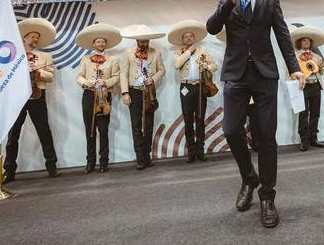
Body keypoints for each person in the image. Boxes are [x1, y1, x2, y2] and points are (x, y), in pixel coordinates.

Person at [206, 0, 305, 228]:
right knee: (230, 130)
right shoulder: (227, 1)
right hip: (236, 75)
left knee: (266, 137)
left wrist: (294, 67)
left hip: (264, 75)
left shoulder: (270, 0)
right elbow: (212, 27)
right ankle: (249, 177)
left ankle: (267, 197)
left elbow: (283, 36)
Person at [3, 18, 59, 183]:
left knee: (44, 131)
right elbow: (5, 76)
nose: (35, 39)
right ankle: (9, 171)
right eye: (32, 36)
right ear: (24, 39)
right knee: (13, 135)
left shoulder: (45, 56)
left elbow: (50, 76)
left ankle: (51, 166)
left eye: (37, 37)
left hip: (37, 96)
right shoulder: (13, 56)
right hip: (18, 98)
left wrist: (38, 72)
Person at [168, 20, 218, 163]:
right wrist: (188, 52)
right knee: (188, 119)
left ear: (194, 38)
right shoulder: (179, 52)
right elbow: (177, 65)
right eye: (186, 37)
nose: (189, 38)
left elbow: (214, 66)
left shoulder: (203, 51)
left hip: (201, 86)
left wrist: (206, 66)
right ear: (182, 40)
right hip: (186, 87)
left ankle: (200, 150)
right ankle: (191, 151)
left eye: (191, 36)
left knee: (200, 118)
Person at [75, 23, 122, 173]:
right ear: (93, 44)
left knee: (103, 130)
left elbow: (116, 77)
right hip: (89, 95)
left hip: (104, 96)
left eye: (103, 41)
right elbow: (79, 76)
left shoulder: (112, 59)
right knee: (90, 130)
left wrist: (105, 82)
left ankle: (104, 162)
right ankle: (90, 162)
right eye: (98, 41)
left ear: (105, 44)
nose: (101, 44)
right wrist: (86, 82)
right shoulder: (86, 59)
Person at [120, 24, 166, 170]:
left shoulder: (156, 53)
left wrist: (153, 79)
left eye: (146, 41)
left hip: (149, 92)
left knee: (148, 124)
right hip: (134, 91)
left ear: (149, 41)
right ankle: (139, 157)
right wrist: (125, 92)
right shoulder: (128, 53)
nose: (143, 43)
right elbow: (123, 73)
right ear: (136, 41)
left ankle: (147, 156)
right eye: (141, 41)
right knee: (136, 125)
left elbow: (162, 70)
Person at [290, 26, 324, 150]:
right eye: (304, 40)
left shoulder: (316, 57)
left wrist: (321, 67)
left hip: (316, 86)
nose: (306, 42)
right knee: (303, 113)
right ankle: (304, 140)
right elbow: (291, 72)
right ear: (300, 42)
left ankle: (313, 138)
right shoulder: (294, 56)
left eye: (308, 40)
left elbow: (321, 73)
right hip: (303, 87)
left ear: (311, 43)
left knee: (315, 113)